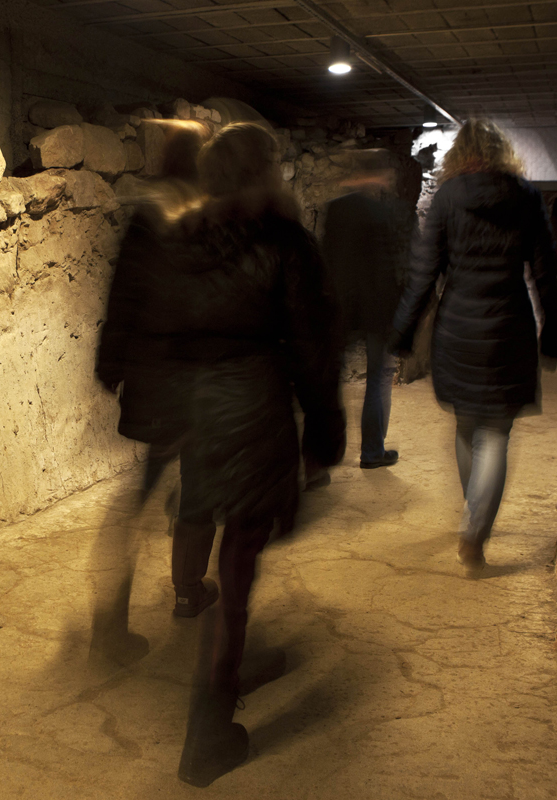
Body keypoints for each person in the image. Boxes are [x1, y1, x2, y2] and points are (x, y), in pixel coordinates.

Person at [155, 122, 343, 787]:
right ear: (264, 173)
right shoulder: (287, 244)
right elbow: (315, 351)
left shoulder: (186, 242)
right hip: (256, 418)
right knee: (236, 572)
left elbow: (165, 338)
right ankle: (207, 736)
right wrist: (324, 436)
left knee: (226, 556)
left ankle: (231, 669)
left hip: (205, 419)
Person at [388, 118, 557, 576]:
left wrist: (404, 332)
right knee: (495, 434)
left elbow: (424, 273)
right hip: (509, 324)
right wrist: (554, 330)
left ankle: (475, 516)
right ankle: (475, 528)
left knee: (468, 426)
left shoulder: (447, 198)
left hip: (458, 327)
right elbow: (544, 270)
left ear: (457, 154)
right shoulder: (524, 195)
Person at [91, 120, 213, 667]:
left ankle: (108, 624)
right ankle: (187, 591)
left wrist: (111, 364)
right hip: (200, 380)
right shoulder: (215, 216)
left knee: (140, 495)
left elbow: (125, 295)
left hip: (154, 378)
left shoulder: (147, 212)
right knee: (200, 487)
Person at [320, 149, 414, 471]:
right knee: (378, 379)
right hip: (375, 311)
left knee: (330, 380)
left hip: (340, 308)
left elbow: (327, 261)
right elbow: (386, 270)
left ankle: (322, 456)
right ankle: (372, 452)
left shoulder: (333, 211)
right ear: (376, 176)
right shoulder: (381, 213)